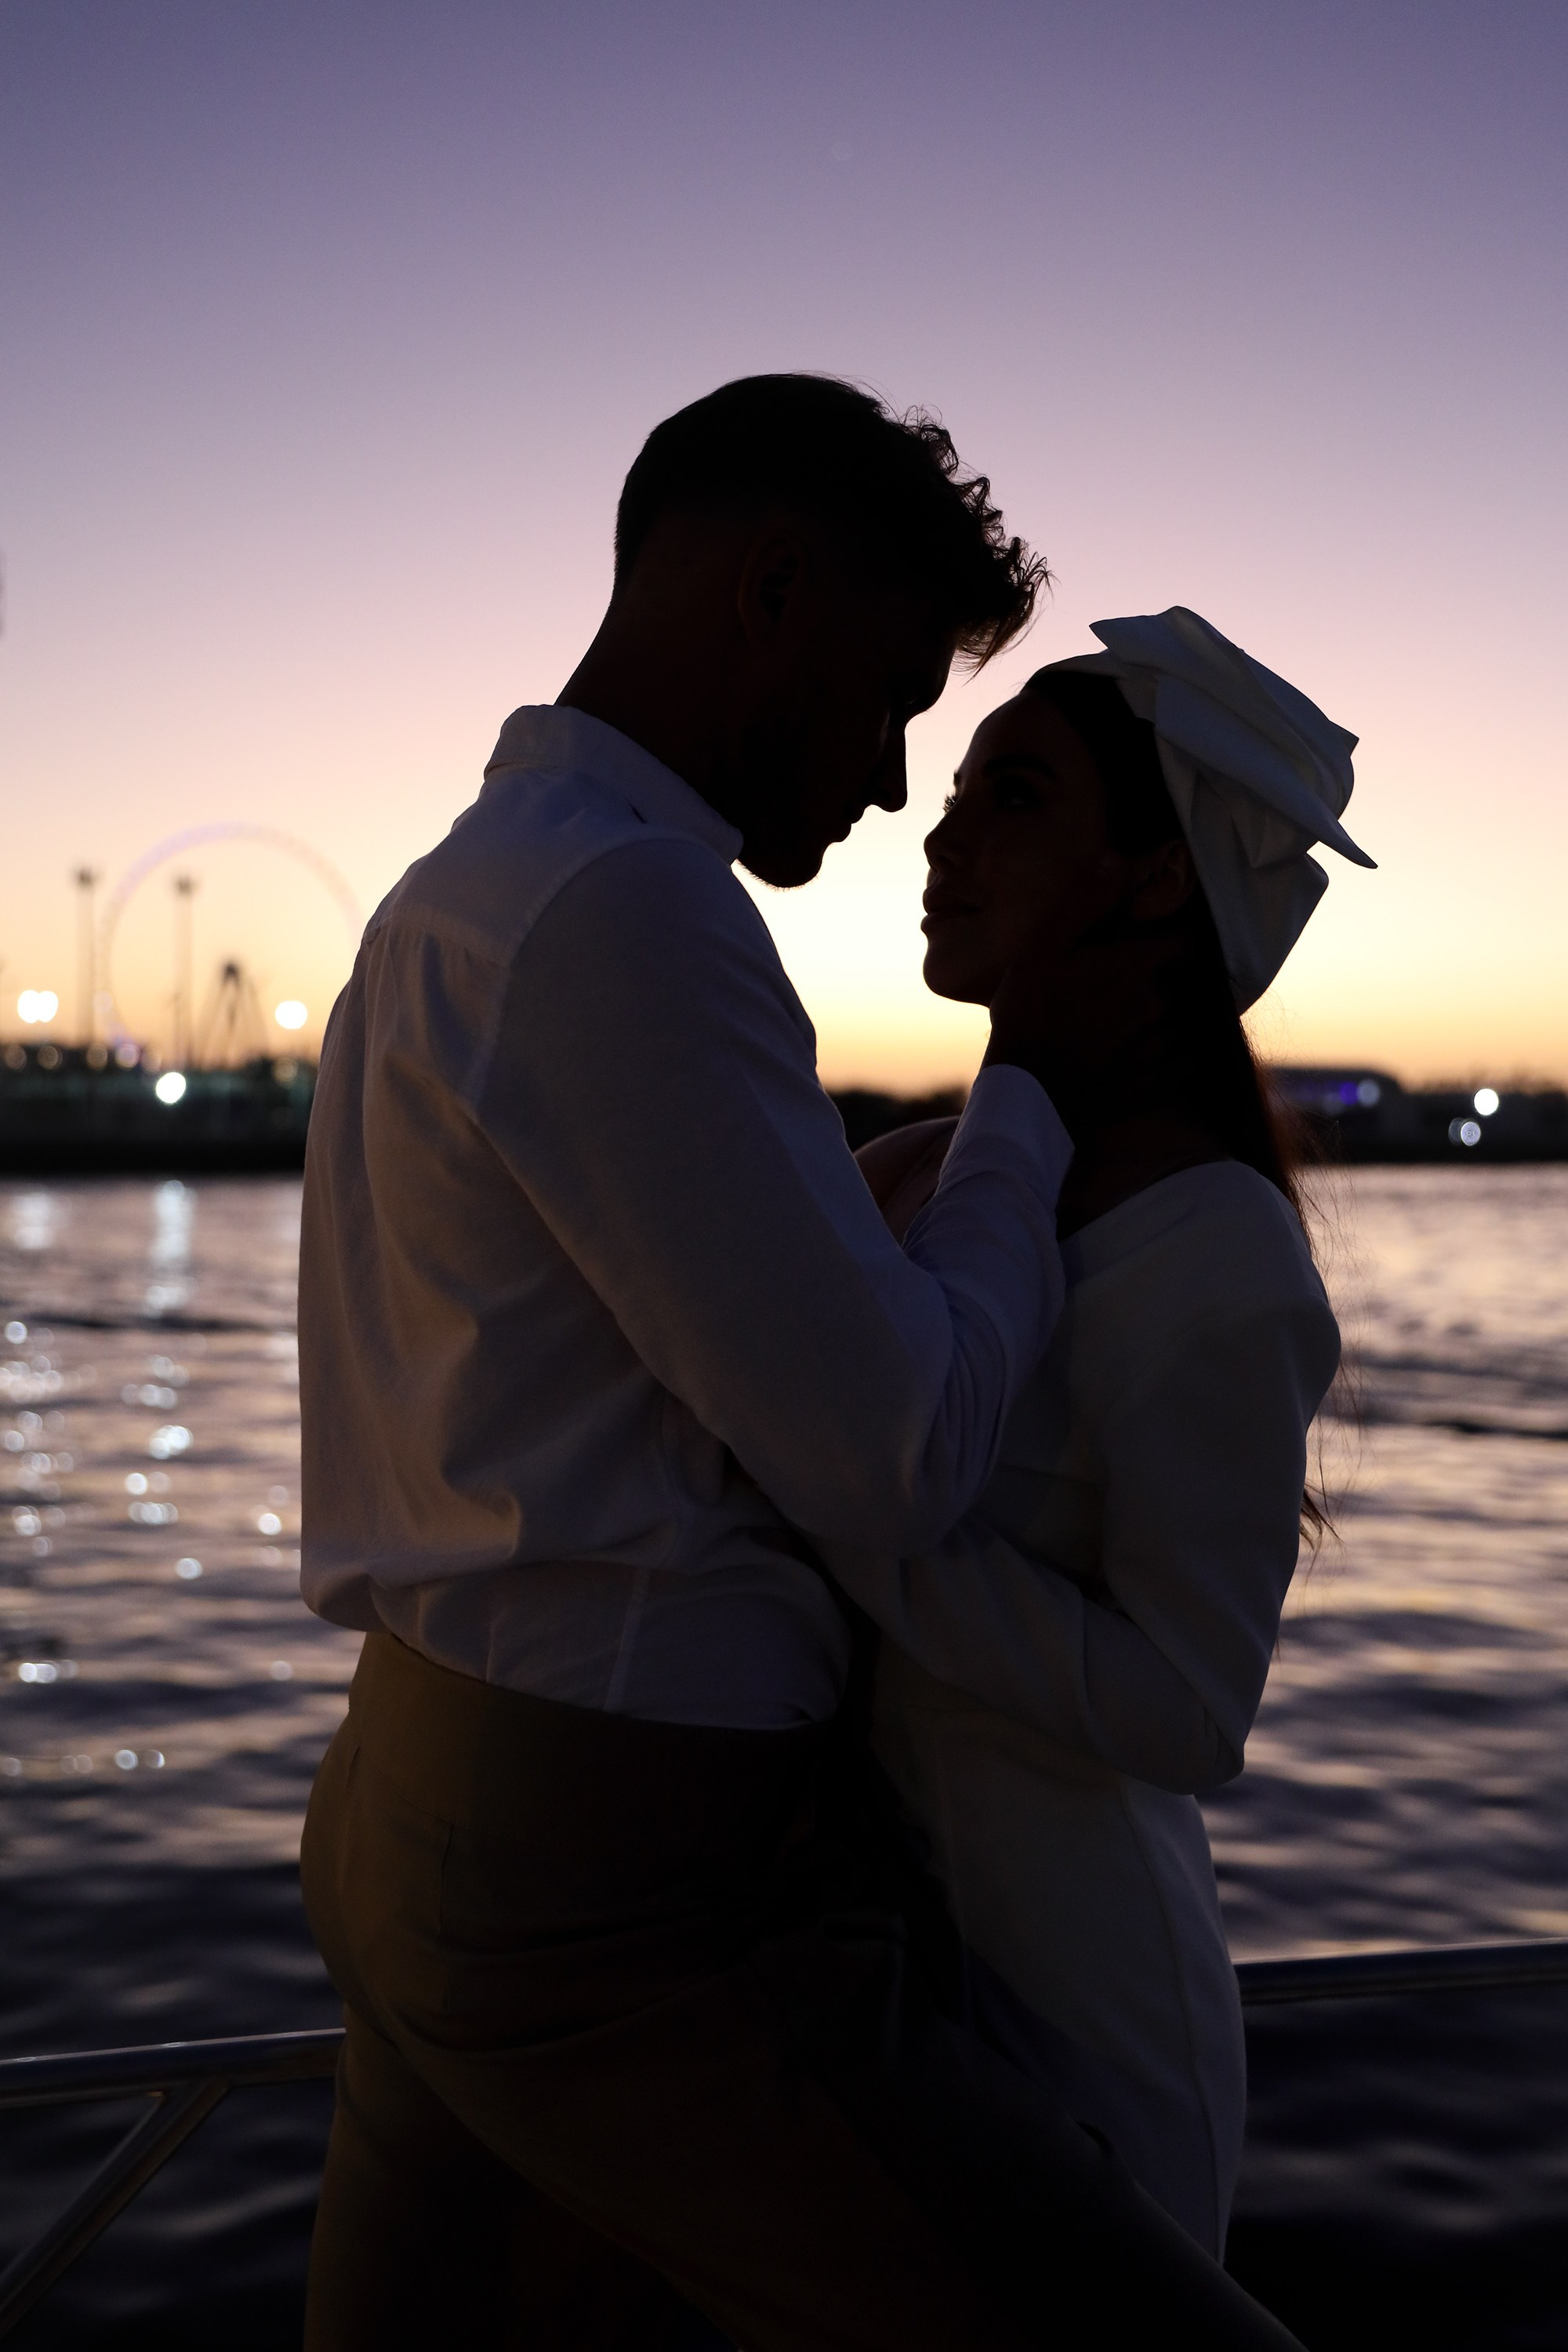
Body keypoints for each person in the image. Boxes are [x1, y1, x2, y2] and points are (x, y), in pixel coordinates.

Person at [296, 380, 1307, 2350]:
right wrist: (1017, 1113)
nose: (884, 780)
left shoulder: (465, 890)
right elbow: (898, 1456)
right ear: (770, 590)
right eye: (893, 699)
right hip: (622, 1900)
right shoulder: (630, 907)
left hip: (427, 1808)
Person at [844, 607, 1367, 2257]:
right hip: (875, 1995)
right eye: (958, 792)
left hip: (1083, 2017)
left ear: (1152, 881)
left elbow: (1192, 1706)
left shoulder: (1212, 1250)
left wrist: (874, 1542)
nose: (940, 832)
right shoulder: (931, 1179)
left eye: (1016, 797)